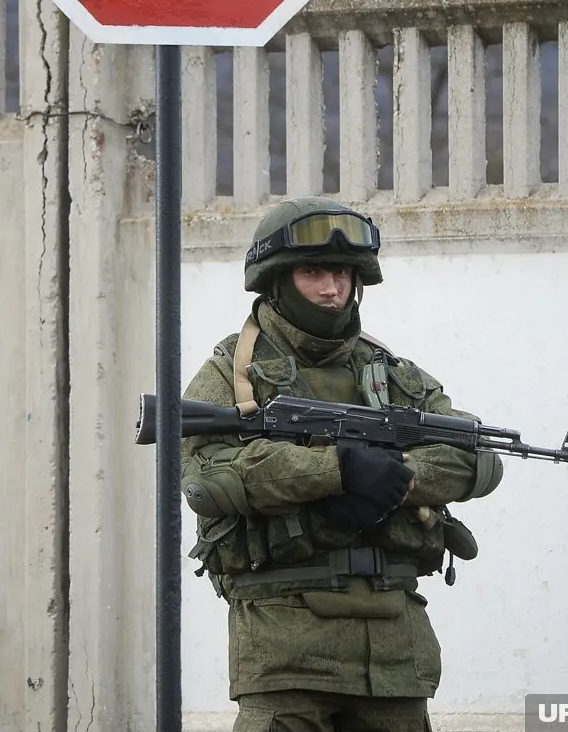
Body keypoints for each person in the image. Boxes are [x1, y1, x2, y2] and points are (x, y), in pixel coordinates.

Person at [181, 197, 503, 732]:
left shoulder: (394, 375)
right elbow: (206, 479)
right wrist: (337, 470)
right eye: (313, 273)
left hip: (396, 658)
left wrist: (395, 475)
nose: (332, 289)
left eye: (342, 274)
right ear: (277, 280)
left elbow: (476, 457)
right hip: (287, 655)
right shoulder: (233, 374)